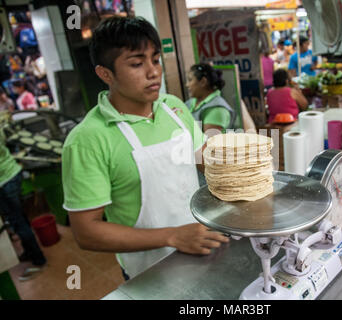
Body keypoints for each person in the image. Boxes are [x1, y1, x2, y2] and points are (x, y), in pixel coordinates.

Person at [61, 17, 229, 281]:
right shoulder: (87, 140)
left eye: (155, 59)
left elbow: (203, 158)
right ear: (105, 73)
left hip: (202, 241)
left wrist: (244, 170)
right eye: (137, 63)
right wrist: (172, 236)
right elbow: (86, 232)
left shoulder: (173, 107)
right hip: (150, 270)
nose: (153, 72)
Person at [0, 129, 47, 281]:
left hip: (4, 180)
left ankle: (38, 258)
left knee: (17, 222)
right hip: (13, 172)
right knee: (19, 217)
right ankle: (29, 250)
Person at [185, 63, 235, 137]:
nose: (187, 85)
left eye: (190, 80)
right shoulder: (190, 103)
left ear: (203, 82)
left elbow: (210, 144)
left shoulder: (217, 109)